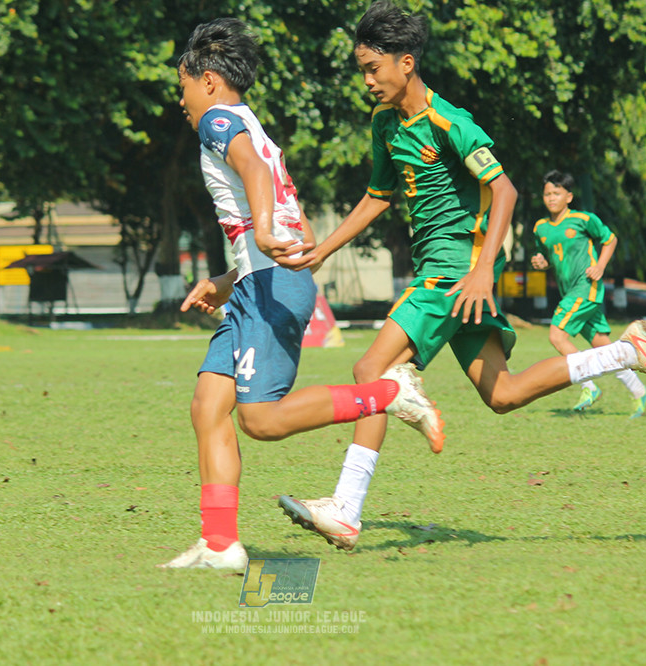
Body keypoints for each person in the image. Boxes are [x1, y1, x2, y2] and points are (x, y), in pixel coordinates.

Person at [277, 0, 646, 551]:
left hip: (454, 272)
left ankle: (346, 508)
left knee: (370, 370)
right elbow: (377, 196)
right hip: (450, 274)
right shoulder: (384, 124)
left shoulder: (450, 122)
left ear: (406, 63)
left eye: (373, 68)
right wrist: (323, 252)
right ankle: (626, 352)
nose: (367, 81)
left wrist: (479, 272)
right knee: (503, 394)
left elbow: (505, 191)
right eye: (362, 70)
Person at [159, 18, 444, 570]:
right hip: (259, 284)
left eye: (183, 86)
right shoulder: (253, 127)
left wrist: (263, 234)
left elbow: (254, 183)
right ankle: (220, 544)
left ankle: (388, 394)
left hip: (269, 287)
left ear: (209, 80)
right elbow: (293, 227)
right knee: (208, 406)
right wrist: (226, 280)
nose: (182, 100)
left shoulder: (219, 121)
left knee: (261, 421)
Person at [530, 170, 646, 418]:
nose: (551, 198)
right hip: (569, 291)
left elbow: (610, 239)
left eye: (556, 193)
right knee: (604, 349)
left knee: (557, 336)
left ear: (569, 197)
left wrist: (600, 266)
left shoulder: (583, 219)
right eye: (547, 194)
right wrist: (542, 263)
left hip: (585, 288)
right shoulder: (540, 228)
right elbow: (548, 255)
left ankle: (588, 385)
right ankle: (640, 391)